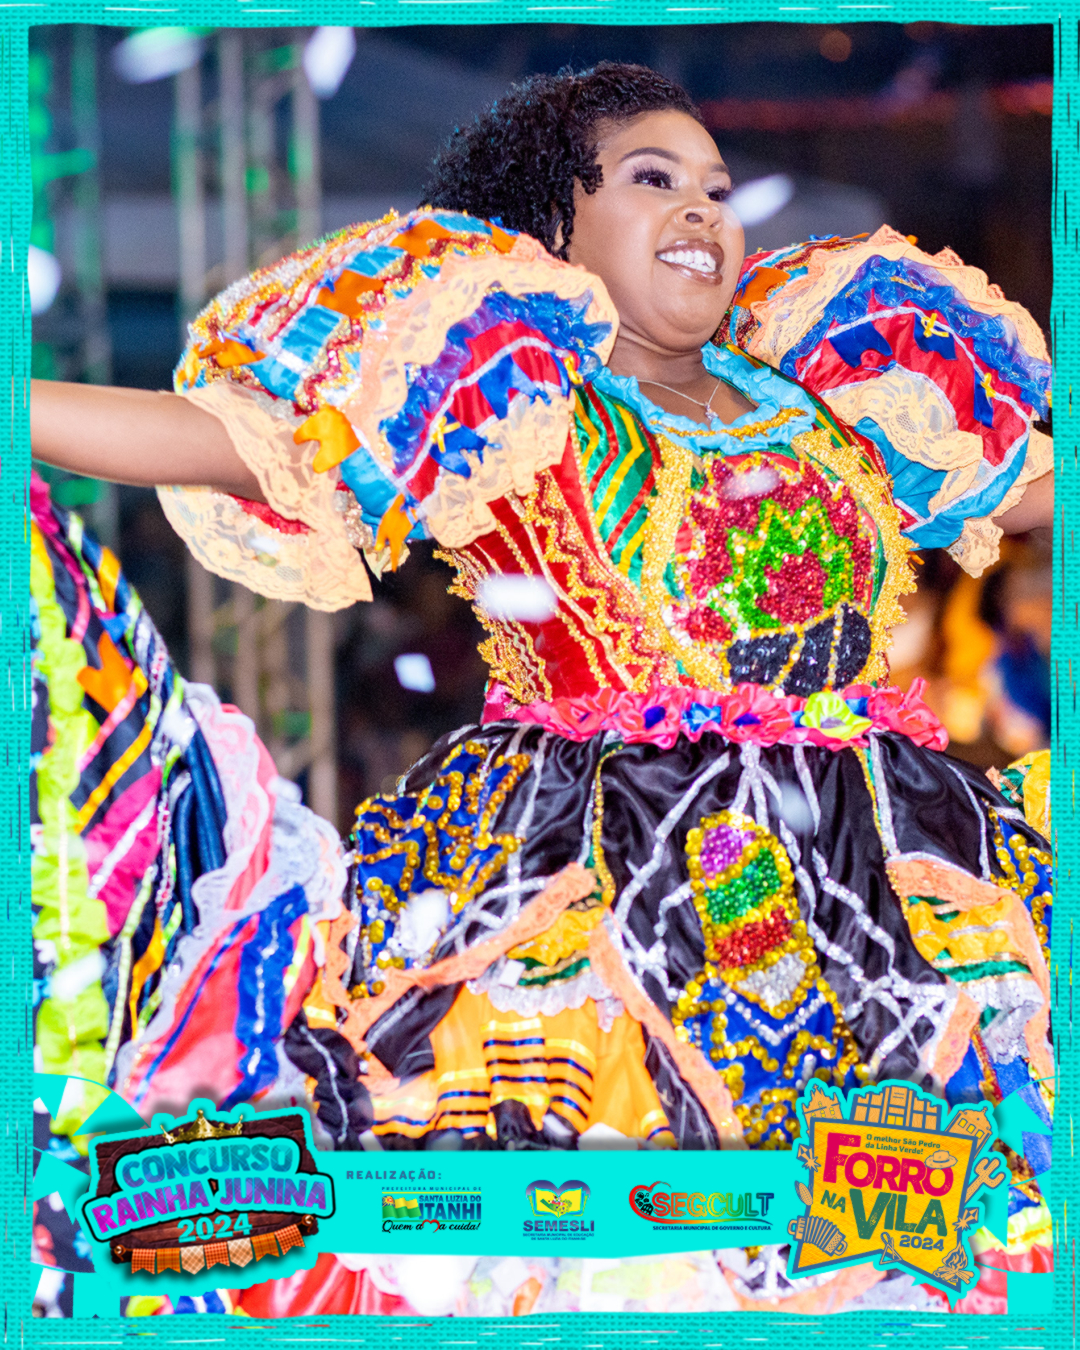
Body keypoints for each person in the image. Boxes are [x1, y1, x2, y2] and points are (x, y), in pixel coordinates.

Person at [30, 62, 1053, 1316]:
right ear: (553, 230)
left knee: (928, 1248)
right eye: (652, 179)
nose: (703, 210)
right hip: (605, 870)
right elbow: (229, 443)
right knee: (630, 1258)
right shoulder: (511, 403)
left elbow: (1032, 490)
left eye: (715, 186)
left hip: (883, 862)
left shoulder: (844, 398)